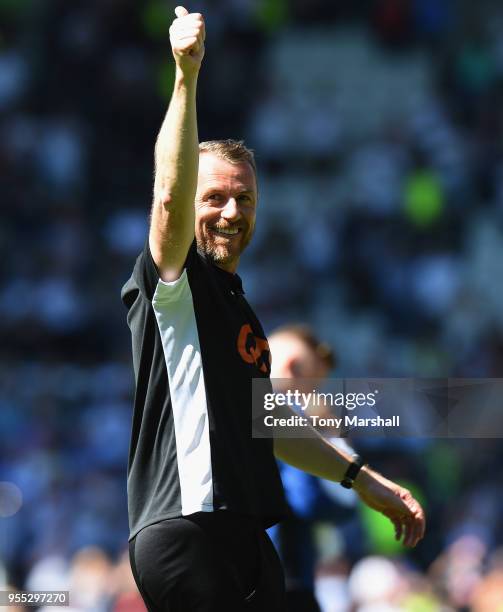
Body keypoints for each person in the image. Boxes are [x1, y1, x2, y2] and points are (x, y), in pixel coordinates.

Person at [121, 6, 425, 612]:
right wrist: (186, 76)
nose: (231, 212)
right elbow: (168, 197)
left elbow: (275, 424)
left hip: (244, 535)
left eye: (244, 198)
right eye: (214, 197)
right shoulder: (177, 289)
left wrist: (364, 480)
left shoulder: (241, 314)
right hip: (189, 527)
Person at [267, 324, 358, 612]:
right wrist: (331, 443)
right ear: (294, 368)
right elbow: (310, 500)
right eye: (312, 385)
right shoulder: (285, 409)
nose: (313, 396)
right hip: (280, 576)